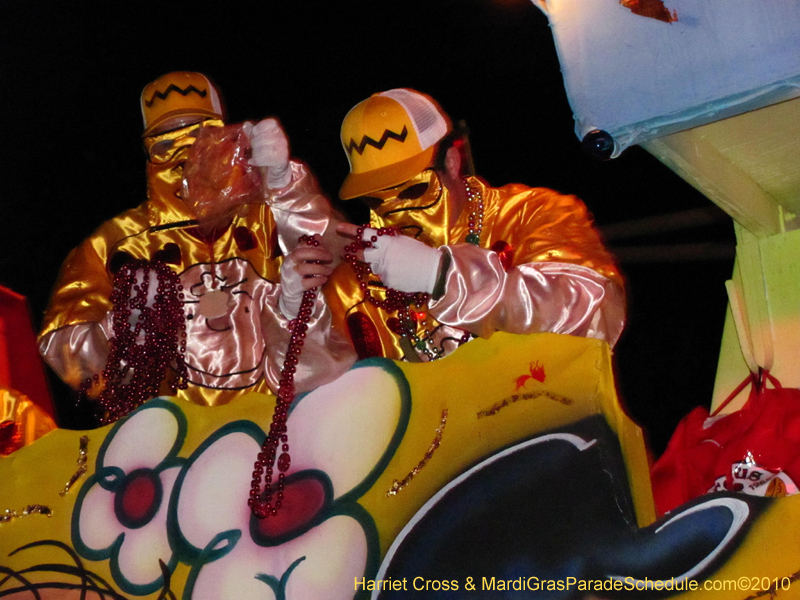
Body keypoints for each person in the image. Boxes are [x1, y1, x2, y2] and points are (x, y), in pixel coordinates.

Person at [38, 72, 354, 414]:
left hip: (280, 425)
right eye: (164, 144)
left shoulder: (265, 214)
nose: (183, 156)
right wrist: (119, 328)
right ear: (146, 152)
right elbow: (64, 350)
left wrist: (284, 183)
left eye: (198, 137)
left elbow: (331, 253)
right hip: (174, 446)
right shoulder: (116, 243)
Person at [326, 88, 625, 361]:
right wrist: (289, 308)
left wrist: (441, 275)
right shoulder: (357, 280)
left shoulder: (534, 214)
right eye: (375, 201)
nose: (397, 212)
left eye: (413, 190)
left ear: (452, 164)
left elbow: (595, 316)